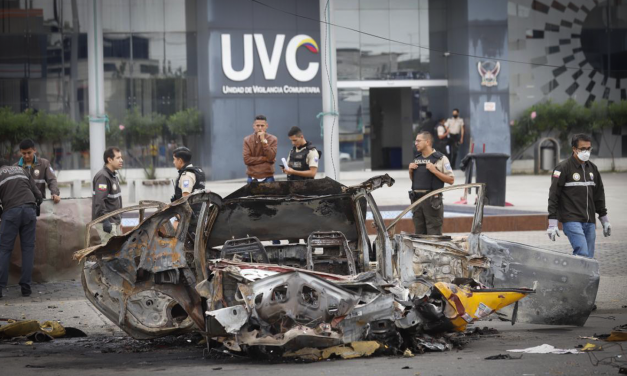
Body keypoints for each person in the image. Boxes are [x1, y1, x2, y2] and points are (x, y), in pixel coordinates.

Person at [547, 134, 610, 258]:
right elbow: (554, 195)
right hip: (571, 220)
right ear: (574, 149)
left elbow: (599, 195)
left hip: (589, 221)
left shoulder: (592, 169)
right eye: (582, 149)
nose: (586, 152)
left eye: (589, 148)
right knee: (582, 252)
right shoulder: (563, 168)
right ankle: (579, 276)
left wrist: (604, 219)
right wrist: (552, 223)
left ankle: (584, 278)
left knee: (589, 258)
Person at [0, 159, 43, 298]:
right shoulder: (21, 169)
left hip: (11, 212)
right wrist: (37, 205)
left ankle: (0, 287)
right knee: (28, 249)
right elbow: (38, 195)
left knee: (5, 249)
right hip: (30, 209)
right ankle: (26, 288)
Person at [409, 132, 455, 235]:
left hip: (432, 201)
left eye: (418, 141)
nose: (416, 143)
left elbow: (451, 180)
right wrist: (410, 171)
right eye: (415, 141)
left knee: (434, 235)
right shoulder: (417, 159)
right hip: (417, 201)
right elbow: (416, 182)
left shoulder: (441, 159)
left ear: (427, 142)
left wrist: (434, 171)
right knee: (419, 235)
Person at [92, 147, 124, 245]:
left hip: (115, 222)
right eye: (118, 158)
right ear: (109, 160)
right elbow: (100, 201)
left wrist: (119, 220)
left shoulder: (113, 176)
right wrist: (105, 220)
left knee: (118, 252)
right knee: (110, 254)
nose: (121, 160)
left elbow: (116, 200)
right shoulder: (103, 176)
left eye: (121, 157)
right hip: (107, 223)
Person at [15, 139, 61, 204]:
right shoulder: (15, 167)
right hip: (22, 205)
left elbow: (52, 180)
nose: (27, 156)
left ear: (34, 150)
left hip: (40, 204)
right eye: (24, 153)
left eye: (29, 153)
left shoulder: (44, 164)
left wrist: (55, 193)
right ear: (20, 152)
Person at [243, 115, 278, 183]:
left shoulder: (273, 139)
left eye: (262, 126)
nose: (260, 128)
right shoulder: (247, 140)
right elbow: (246, 160)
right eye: (257, 125)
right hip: (252, 176)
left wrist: (264, 141)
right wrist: (265, 159)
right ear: (253, 126)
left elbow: (271, 157)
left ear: (266, 126)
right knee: (250, 194)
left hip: (268, 176)